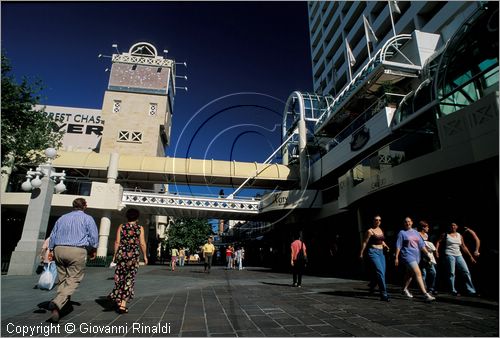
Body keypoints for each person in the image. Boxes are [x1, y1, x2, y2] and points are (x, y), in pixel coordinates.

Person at [47, 198, 99, 322]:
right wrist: (93, 249)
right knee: (74, 278)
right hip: (76, 250)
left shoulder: (62, 218)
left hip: (59, 249)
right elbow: (93, 236)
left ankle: (61, 306)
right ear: (85, 206)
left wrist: (50, 249)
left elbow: (53, 234)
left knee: (62, 278)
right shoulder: (88, 218)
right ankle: (58, 302)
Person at [108, 208, 148, 313]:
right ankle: (123, 304)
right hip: (133, 257)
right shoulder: (140, 228)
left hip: (122, 255)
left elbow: (117, 242)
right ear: (137, 218)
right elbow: (142, 243)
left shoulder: (122, 226)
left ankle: (116, 296)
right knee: (129, 278)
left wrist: (115, 255)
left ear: (127, 217)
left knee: (120, 277)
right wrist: (145, 256)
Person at [395, 217, 435, 302]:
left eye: (409, 221)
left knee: (409, 274)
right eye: (406, 222)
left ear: (412, 223)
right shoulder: (402, 233)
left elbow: (421, 245)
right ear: (404, 223)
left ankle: (404, 289)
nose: (407, 223)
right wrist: (396, 257)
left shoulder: (416, 232)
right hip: (407, 255)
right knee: (418, 273)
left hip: (417, 256)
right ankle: (425, 294)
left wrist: (427, 254)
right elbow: (398, 245)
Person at [435, 222, 477, 296]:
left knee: (466, 271)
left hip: (459, 255)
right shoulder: (445, 235)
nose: (453, 227)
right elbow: (438, 242)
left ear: (457, 227)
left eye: (454, 225)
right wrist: (436, 251)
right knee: (451, 272)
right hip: (449, 254)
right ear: (449, 227)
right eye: (451, 225)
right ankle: (452, 290)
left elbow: (463, 246)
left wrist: (470, 257)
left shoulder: (459, 235)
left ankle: (471, 290)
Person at [359, 215, 390, 301]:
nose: (378, 221)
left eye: (379, 220)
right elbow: (365, 242)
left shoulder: (380, 229)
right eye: (376, 220)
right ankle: (384, 294)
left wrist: (386, 246)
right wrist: (361, 253)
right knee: (380, 272)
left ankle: (372, 285)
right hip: (373, 252)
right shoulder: (370, 231)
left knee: (382, 273)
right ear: (373, 221)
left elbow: (381, 240)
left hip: (381, 253)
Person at [417, 221, 438, 295]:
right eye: (427, 227)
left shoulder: (426, 235)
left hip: (428, 255)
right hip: (422, 256)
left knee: (433, 272)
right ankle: (424, 289)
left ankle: (431, 288)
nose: (428, 228)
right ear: (423, 227)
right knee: (423, 273)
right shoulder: (418, 234)